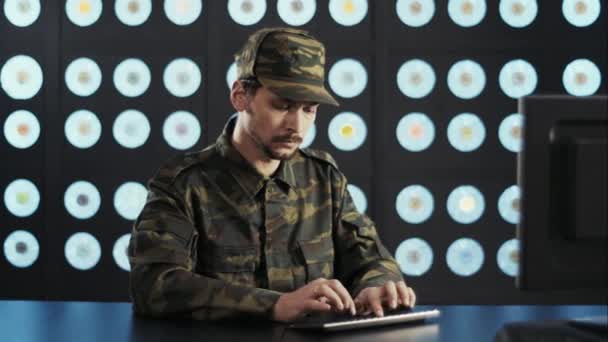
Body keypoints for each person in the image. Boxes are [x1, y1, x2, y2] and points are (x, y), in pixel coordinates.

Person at [128, 27, 416, 323]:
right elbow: (152, 284)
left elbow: (370, 256)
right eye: (282, 105)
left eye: (309, 109)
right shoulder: (184, 184)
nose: (298, 126)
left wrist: (377, 284)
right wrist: (272, 305)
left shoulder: (323, 179)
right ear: (240, 96)